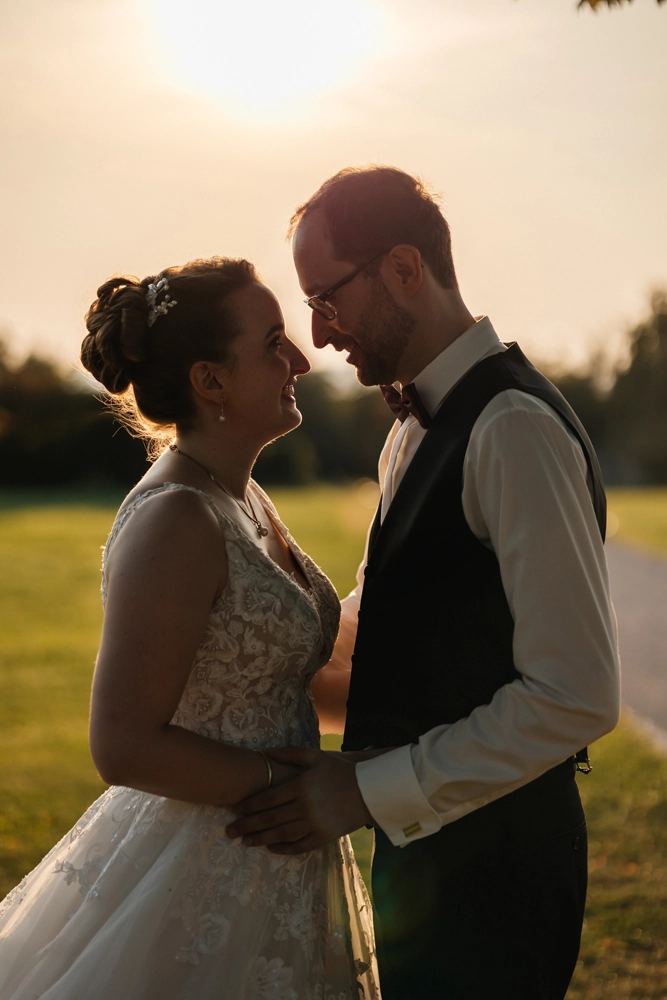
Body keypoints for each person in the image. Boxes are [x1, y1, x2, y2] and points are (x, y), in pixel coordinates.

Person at [226, 168, 621, 1000]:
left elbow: (575, 697)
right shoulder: (409, 429)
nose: (317, 335)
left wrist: (363, 791)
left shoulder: (513, 428)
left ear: (403, 268)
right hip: (425, 859)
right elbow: (393, 615)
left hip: (499, 876)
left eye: (326, 299)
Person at [0, 257, 379, 1000]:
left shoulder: (242, 496)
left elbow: (279, 681)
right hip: (205, 860)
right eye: (272, 343)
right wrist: (291, 787)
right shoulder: (175, 518)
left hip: (280, 846)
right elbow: (122, 744)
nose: (300, 359)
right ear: (210, 380)